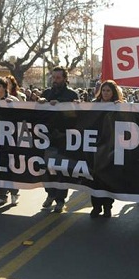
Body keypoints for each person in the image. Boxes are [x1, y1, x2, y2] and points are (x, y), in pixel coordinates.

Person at [37, 66, 80, 213]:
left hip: (64, 138)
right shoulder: (46, 93)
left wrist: (61, 105)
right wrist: (40, 104)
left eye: (58, 78)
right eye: (53, 78)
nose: (55, 81)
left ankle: (60, 200)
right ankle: (50, 194)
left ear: (65, 79)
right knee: (45, 169)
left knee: (61, 170)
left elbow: (76, 117)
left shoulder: (71, 94)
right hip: (47, 137)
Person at [89, 80, 124, 218]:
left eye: (108, 91)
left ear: (113, 92)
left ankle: (107, 206)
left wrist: (122, 108)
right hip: (95, 146)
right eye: (103, 90)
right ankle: (96, 206)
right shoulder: (94, 105)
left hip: (111, 146)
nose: (105, 93)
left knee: (108, 178)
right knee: (95, 178)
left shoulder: (119, 105)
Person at [0, 77, 20, 206]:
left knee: (11, 168)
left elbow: (22, 117)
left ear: (5, 88)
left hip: (10, 140)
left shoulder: (13, 101)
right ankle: (1, 195)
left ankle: (14, 192)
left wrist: (12, 107)